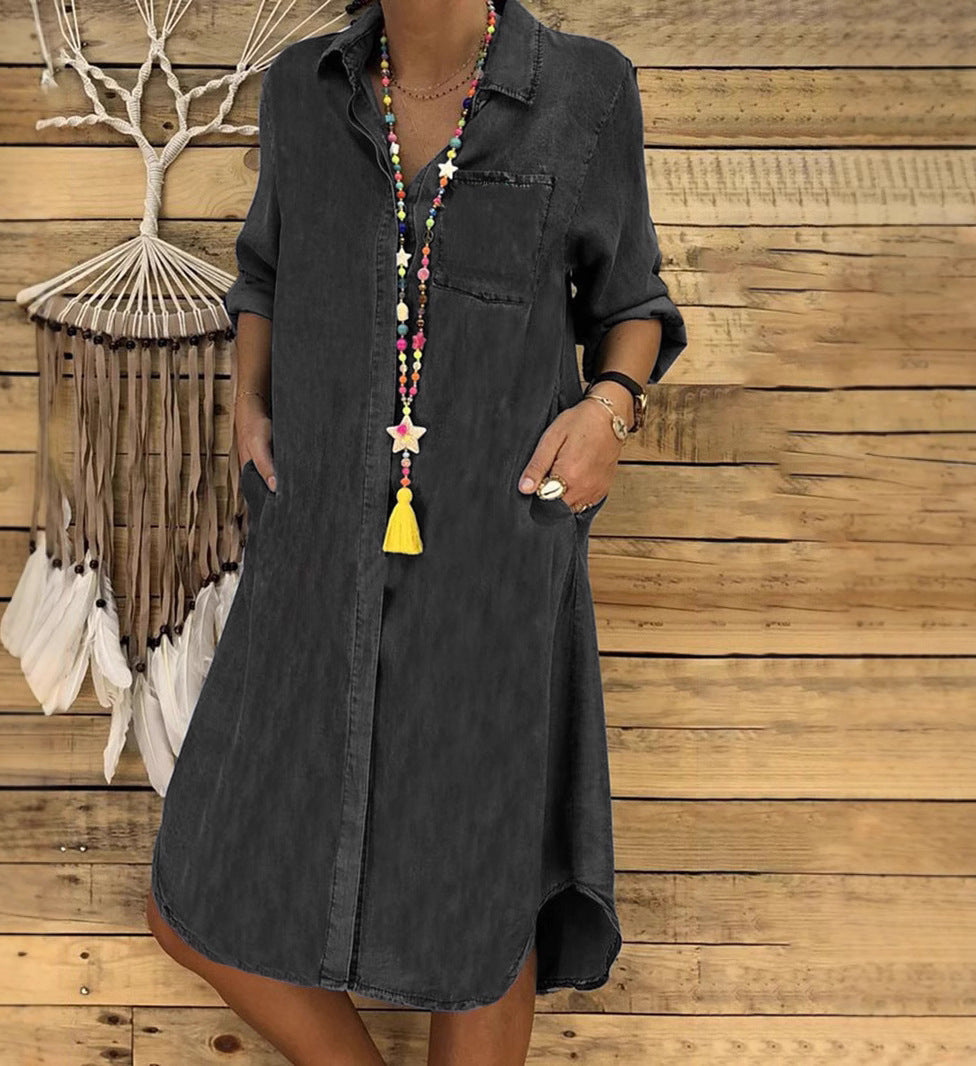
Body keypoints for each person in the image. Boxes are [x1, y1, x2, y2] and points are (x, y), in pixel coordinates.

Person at [146, 0, 687, 1063]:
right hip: (313, 554)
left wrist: (608, 409)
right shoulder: (304, 89)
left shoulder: (585, 88)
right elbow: (264, 273)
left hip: (493, 565)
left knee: (477, 902)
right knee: (197, 896)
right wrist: (247, 404)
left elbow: (631, 301)